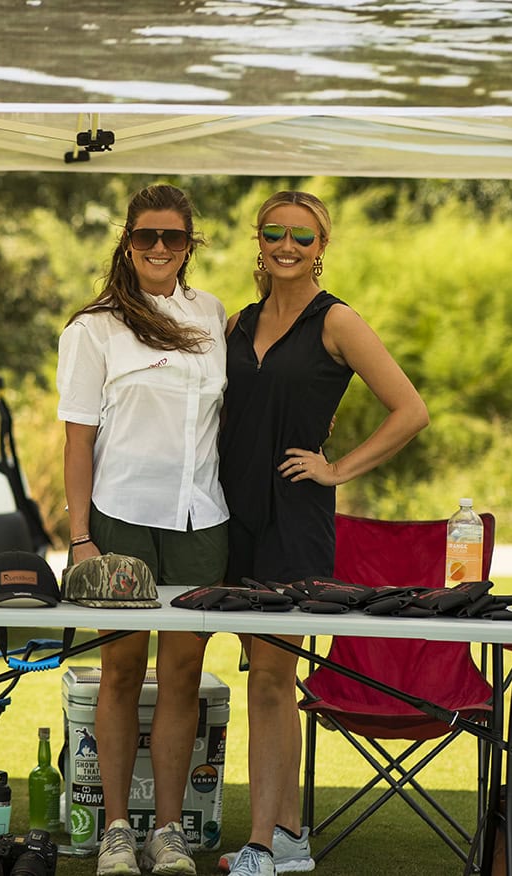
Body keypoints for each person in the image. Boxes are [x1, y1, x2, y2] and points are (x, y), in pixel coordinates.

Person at [218, 191, 429, 876]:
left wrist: (336, 469)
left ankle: (260, 845)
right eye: (274, 233)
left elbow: (410, 410)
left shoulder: (337, 321)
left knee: (270, 678)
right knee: (268, 678)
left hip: (294, 518)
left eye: (302, 237)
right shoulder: (236, 322)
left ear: (321, 247)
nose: (287, 246)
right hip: (233, 516)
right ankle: (286, 837)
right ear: (258, 241)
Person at [57, 183, 229, 876]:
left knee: (183, 676)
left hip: (202, 521)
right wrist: (80, 537)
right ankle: (117, 832)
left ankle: (169, 832)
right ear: (127, 243)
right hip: (119, 518)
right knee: (122, 672)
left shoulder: (212, 314)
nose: (159, 248)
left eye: (173, 237)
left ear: (189, 245)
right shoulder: (92, 328)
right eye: (146, 236)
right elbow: (76, 441)